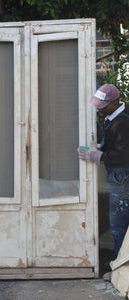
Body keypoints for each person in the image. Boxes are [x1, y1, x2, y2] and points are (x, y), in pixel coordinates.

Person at [78, 84, 129, 261]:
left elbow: (123, 155)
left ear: (115, 102)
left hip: (122, 175)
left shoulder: (122, 122)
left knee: (119, 223)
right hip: (119, 174)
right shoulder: (113, 116)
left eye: (103, 106)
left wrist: (99, 156)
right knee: (119, 221)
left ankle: (119, 266)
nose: (99, 110)